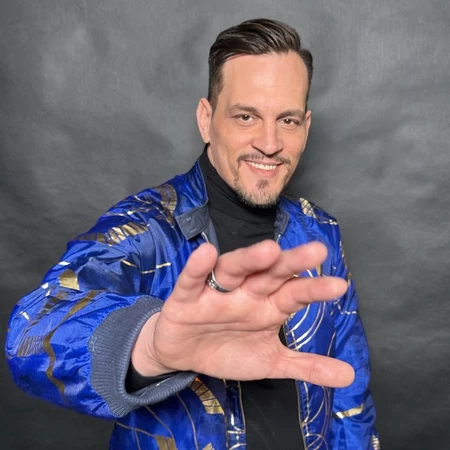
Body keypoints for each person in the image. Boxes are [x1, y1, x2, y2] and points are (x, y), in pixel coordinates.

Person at [6, 18, 379, 450]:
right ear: (206, 119)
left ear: (306, 127)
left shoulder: (320, 232)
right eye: (246, 116)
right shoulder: (147, 227)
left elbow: (350, 397)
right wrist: (149, 348)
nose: (270, 142)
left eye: (288, 120)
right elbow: (30, 335)